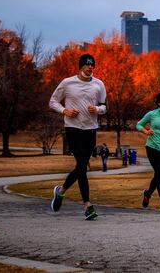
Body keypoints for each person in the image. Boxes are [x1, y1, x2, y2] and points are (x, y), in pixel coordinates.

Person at [49, 53, 107, 220]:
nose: (90, 67)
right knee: (82, 165)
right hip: (73, 129)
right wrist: (64, 111)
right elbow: (53, 102)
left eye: (92, 65)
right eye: (87, 65)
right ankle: (87, 205)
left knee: (81, 167)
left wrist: (96, 110)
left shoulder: (99, 84)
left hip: (90, 129)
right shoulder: (67, 83)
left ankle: (61, 192)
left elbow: (104, 106)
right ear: (80, 66)